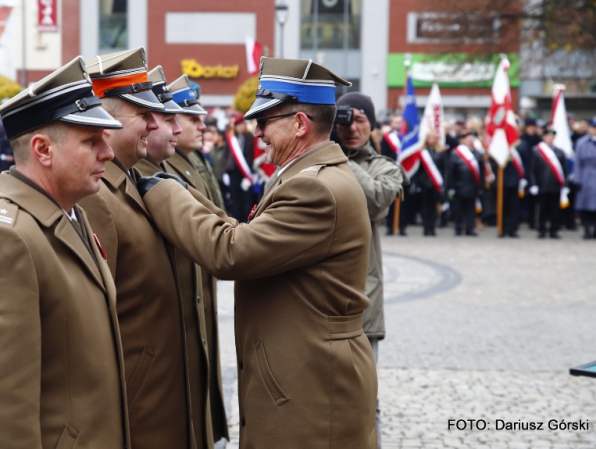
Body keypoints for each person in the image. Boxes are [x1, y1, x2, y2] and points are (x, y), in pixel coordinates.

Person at [138, 57, 377, 448]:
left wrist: (164, 192)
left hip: (314, 388)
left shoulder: (315, 188)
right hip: (305, 378)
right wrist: (185, 195)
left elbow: (232, 252)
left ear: (299, 124)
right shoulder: (307, 175)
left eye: (266, 120)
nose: (258, 131)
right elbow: (246, 231)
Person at [0, 56, 130, 448]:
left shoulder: (71, 212)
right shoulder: (3, 242)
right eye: (91, 141)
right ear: (43, 150)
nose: (108, 154)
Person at [79, 48, 208, 449]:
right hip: (138, 410)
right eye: (144, 114)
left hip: (164, 400)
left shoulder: (134, 179)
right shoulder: (96, 196)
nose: (156, 124)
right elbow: (92, 330)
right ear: (105, 118)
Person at [134, 66, 217, 448]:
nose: (187, 128)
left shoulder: (166, 171)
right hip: (149, 379)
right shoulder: (133, 183)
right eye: (172, 118)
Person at [335, 92, 407, 448]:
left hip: (364, 299)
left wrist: (331, 153)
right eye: (345, 119)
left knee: (364, 400)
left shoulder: (385, 167)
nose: (352, 128)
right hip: (318, 300)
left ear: (373, 125)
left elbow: (376, 201)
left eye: (361, 120)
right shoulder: (315, 160)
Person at [529, 127, 568, 239]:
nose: (550, 139)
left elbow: (564, 170)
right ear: (543, 137)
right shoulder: (537, 151)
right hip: (542, 185)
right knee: (542, 209)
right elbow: (532, 170)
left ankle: (553, 230)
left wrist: (565, 185)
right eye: (548, 136)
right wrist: (533, 184)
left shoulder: (559, 152)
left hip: (555, 185)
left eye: (552, 137)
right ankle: (541, 229)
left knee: (555, 210)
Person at [573, 116, 596, 239]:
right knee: (585, 204)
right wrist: (577, 179)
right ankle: (587, 229)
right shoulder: (581, 142)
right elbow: (578, 163)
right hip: (586, 174)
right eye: (594, 127)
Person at [446, 130, 485, 236]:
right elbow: (451, 171)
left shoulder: (477, 154)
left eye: (472, 138)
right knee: (458, 209)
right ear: (463, 140)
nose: (470, 140)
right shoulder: (456, 153)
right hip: (459, 185)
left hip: (473, 186)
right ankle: (458, 228)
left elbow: (481, 172)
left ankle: (469, 228)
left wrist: (481, 186)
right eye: (468, 138)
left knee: (470, 209)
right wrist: (451, 187)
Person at [413, 129, 444, 236]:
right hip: (424, 183)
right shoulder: (422, 151)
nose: (431, 139)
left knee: (434, 206)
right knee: (424, 206)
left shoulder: (441, 152)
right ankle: (426, 228)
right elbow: (418, 170)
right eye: (429, 137)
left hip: (436, 183)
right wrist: (417, 184)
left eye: (433, 137)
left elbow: (445, 168)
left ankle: (432, 227)